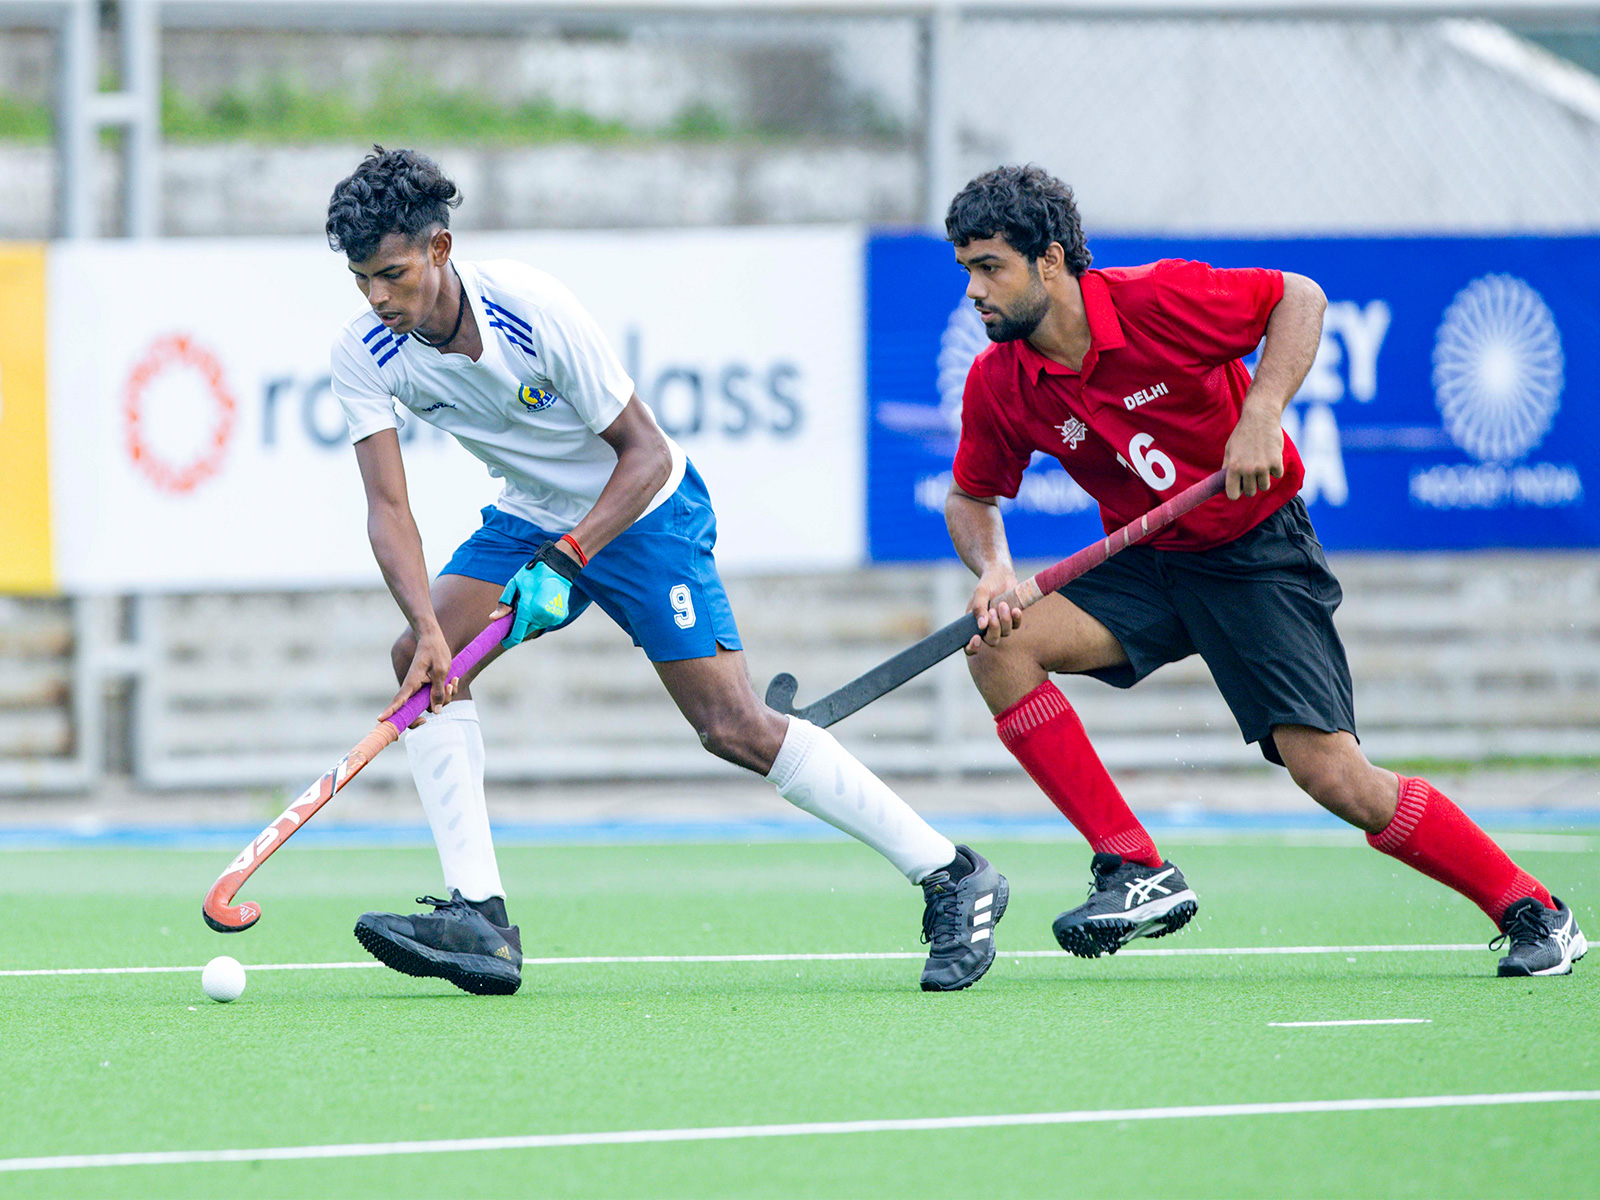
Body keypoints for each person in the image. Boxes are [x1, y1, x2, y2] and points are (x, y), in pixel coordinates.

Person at [322, 147, 1006, 996]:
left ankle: (951, 873)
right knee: (416, 664)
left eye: (391, 273)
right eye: (362, 281)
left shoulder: (532, 310)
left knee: (733, 727)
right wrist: (430, 626)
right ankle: (481, 920)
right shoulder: (366, 352)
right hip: (533, 515)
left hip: (643, 510)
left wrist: (571, 560)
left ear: (440, 248)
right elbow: (388, 507)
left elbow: (644, 454)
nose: (379, 298)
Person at [940, 163, 1585, 978]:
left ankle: (1535, 911)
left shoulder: (1155, 299)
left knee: (1333, 775)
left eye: (989, 266)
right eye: (966, 270)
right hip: (1151, 560)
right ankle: (1135, 867)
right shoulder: (1002, 380)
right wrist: (995, 568)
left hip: (1254, 552)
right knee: (1000, 646)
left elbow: (1299, 298)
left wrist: (1260, 413)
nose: (974, 290)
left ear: (1053, 261)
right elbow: (971, 496)